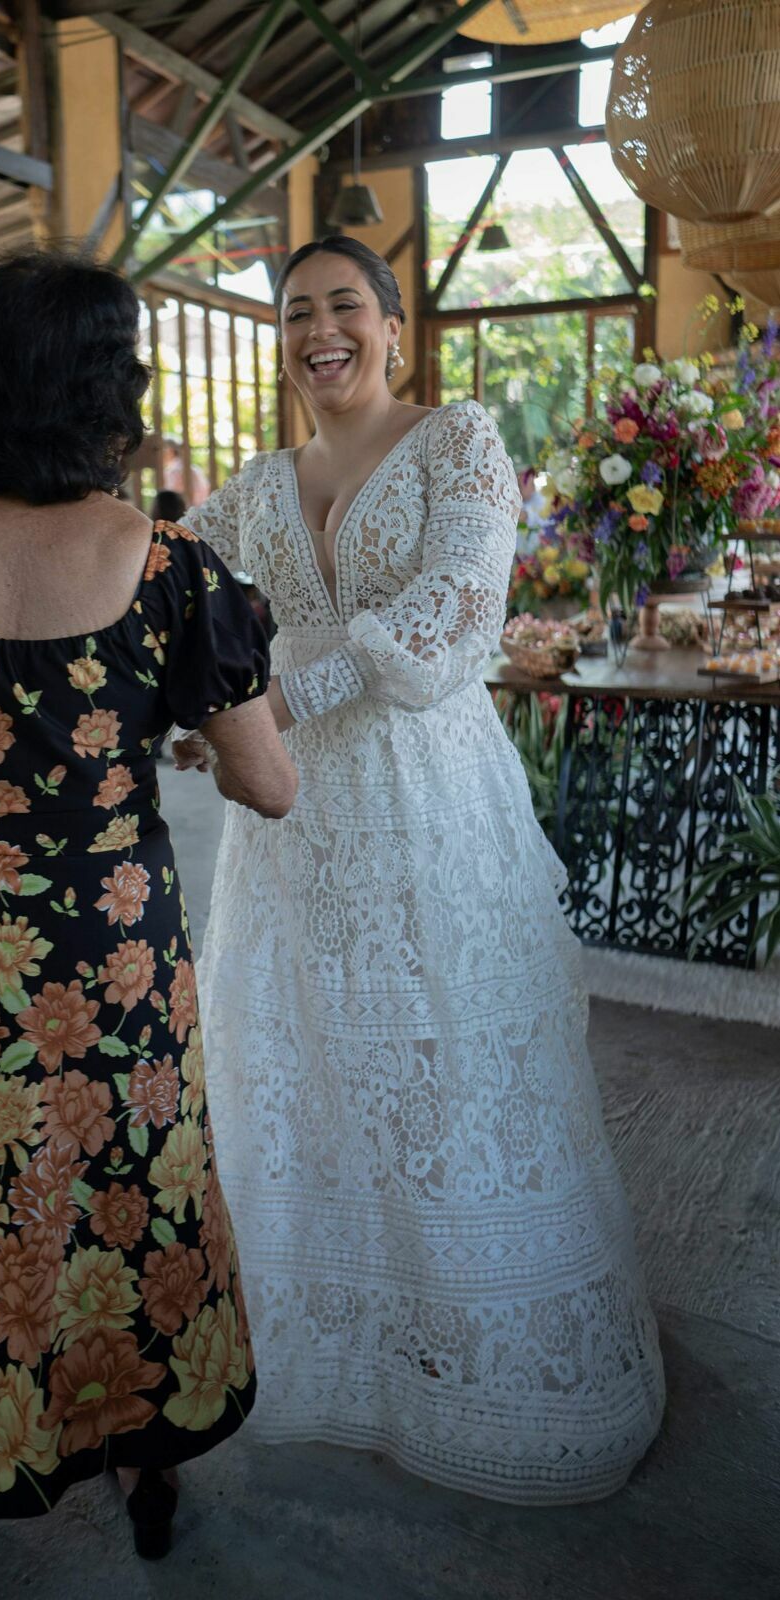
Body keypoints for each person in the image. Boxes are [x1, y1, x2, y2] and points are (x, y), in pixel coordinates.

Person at [0, 248, 296, 1597]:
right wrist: (174, 740)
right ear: (109, 387)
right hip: (110, 946)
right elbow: (268, 783)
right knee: (130, 1187)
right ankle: (146, 1462)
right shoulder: (166, 566)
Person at [174, 236, 664, 1505]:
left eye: (345, 306)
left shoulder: (460, 443)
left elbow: (452, 621)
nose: (321, 330)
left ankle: (483, 1357)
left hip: (429, 803)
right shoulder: (250, 485)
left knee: (445, 1065)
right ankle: (343, 1355)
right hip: (289, 831)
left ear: (394, 323)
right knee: (315, 1060)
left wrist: (280, 690)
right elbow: (166, 588)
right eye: (296, 313)